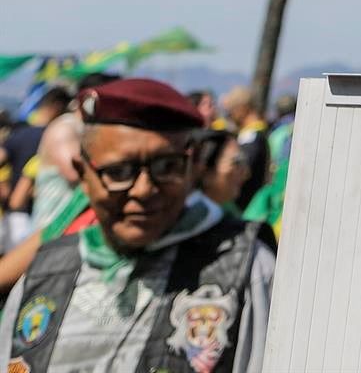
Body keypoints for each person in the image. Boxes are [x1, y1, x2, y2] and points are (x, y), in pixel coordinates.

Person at [1, 79, 273, 373]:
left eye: (166, 168)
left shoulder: (244, 269)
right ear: (83, 175)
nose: (143, 190)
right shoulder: (47, 271)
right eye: (119, 172)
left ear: (191, 168)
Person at [217, 89, 270, 214]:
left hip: (247, 210)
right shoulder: (254, 135)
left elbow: (242, 171)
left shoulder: (252, 138)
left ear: (242, 109)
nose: (229, 116)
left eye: (231, 111)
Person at [198, 134, 253, 216]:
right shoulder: (186, 216)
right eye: (236, 163)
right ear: (206, 172)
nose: (246, 174)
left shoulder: (231, 215)